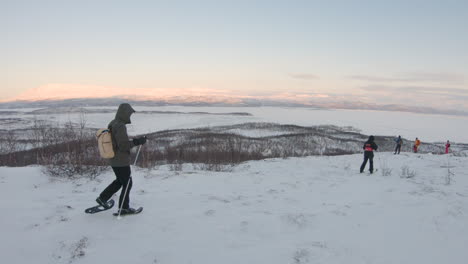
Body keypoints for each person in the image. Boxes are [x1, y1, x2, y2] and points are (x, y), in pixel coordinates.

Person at [95, 103, 147, 214]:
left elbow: (116, 142)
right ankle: (124, 208)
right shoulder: (120, 126)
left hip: (114, 159)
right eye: (129, 114)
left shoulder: (113, 123)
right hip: (121, 160)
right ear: (124, 113)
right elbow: (123, 146)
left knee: (120, 181)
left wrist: (135, 141)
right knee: (127, 183)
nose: (129, 116)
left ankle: (103, 198)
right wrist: (137, 141)